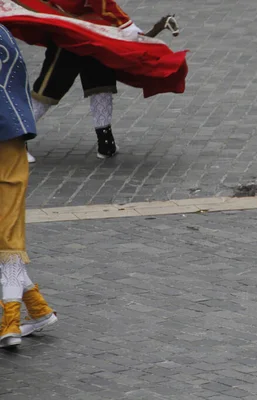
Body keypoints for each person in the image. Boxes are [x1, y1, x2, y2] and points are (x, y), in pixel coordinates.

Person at [1, 0, 188, 162]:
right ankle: (14, 140)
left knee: (100, 82)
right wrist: (124, 23)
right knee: (49, 88)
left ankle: (105, 140)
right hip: (70, 30)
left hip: (94, 30)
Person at [0, 24, 57, 349]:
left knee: (6, 238)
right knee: (6, 236)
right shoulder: (4, 36)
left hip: (7, 143)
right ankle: (37, 309)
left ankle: (11, 318)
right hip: (11, 138)